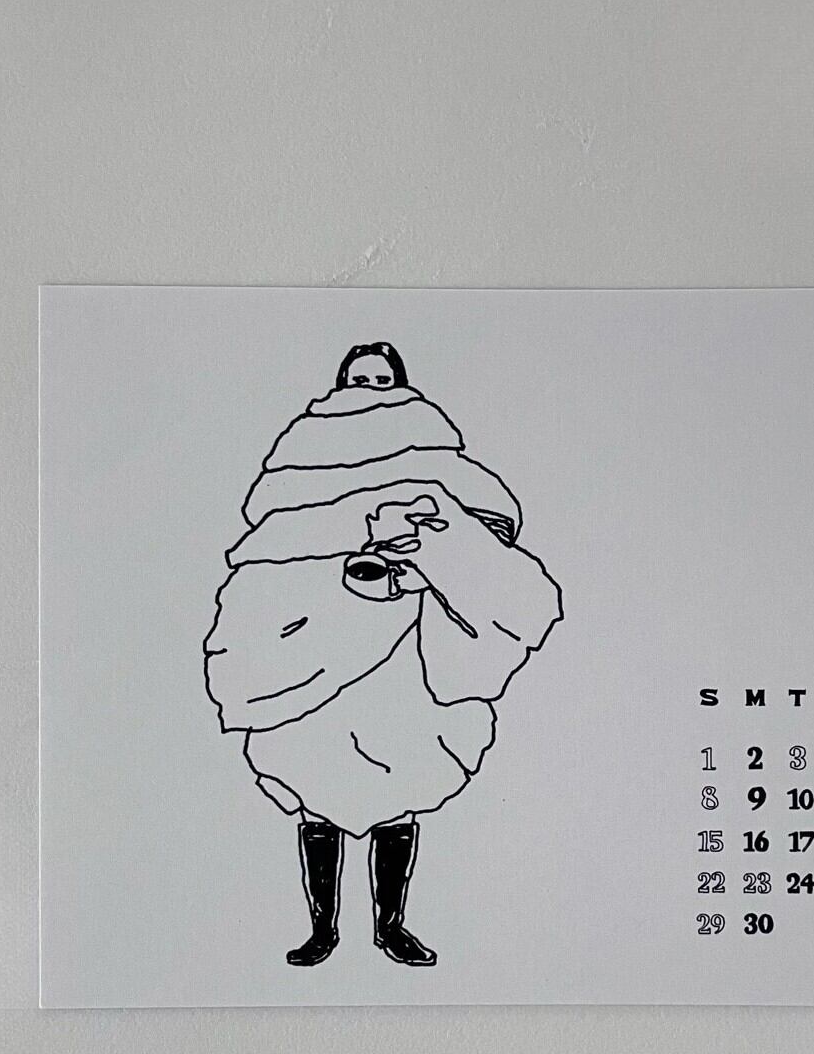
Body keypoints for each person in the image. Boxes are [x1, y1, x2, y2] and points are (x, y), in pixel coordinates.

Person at [204, 343, 562, 967]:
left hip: (401, 650)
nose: (370, 389)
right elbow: (270, 543)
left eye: (380, 378)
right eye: (359, 378)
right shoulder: (304, 454)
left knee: (400, 775)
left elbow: (493, 528)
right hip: (315, 646)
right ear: (340, 384)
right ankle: (323, 929)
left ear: (400, 383)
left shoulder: (434, 457)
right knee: (315, 781)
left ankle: (390, 926)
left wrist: (422, 564)